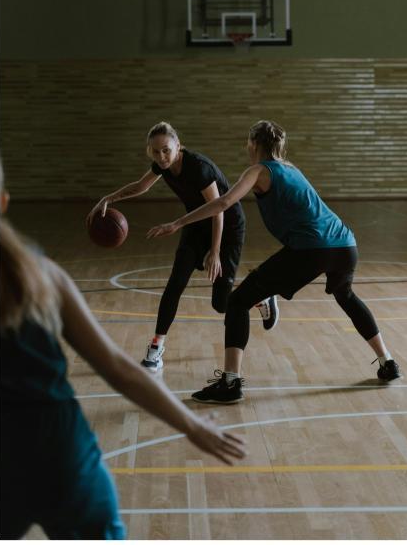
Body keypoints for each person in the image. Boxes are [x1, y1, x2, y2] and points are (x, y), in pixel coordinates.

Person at [0, 163, 246, 540]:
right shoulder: (39, 273)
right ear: (3, 201)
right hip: (63, 450)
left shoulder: (35, 272)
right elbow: (117, 367)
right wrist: (190, 424)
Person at [147, 120, 402, 404]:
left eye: (248, 143)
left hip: (311, 249)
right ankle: (387, 361)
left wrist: (177, 223)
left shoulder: (258, 170)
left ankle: (231, 383)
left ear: (254, 145)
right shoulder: (291, 168)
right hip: (345, 244)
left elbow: (223, 203)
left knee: (238, 301)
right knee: (346, 296)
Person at [87, 121, 278, 373]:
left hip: (227, 228)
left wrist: (215, 251)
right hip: (195, 224)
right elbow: (141, 186)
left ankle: (261, 298)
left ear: (178, 145)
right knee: (175, 283)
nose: (162, 156)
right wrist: (108, 198)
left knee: (221, 303)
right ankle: (156, 346)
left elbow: (218, 210)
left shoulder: (199, 168)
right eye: (155, 151)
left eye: (166, 149)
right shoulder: (161, 166)